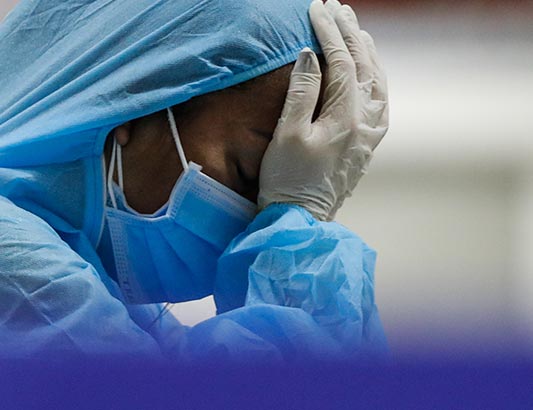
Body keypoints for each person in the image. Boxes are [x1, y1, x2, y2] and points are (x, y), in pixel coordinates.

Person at [0, 0, 389, 362]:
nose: (259, 219)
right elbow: (250, 394)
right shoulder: (20, 272)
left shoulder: (96, 282)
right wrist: (301, 232)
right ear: (133, 106)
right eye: (247, 172)